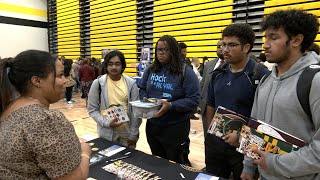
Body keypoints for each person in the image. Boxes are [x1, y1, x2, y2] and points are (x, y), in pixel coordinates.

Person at [241, 9, 320, 180]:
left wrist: (273, 162)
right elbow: (255, 126)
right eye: (266, 37)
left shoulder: (315, 81)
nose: (265, 45)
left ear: (297, 40)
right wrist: (248, 166)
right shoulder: (266, 80)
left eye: (274, 37)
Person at [0, 50, 91, 179]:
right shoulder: (45, 120)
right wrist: (85, 152)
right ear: (37, 81)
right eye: (60, 76)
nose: (65, 81)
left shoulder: (7, 108)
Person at [205, 24, 269, 179]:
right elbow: (210, 105)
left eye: (232, 45)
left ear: (246, 47)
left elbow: (264, 118)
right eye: (223, 44)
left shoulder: (261, 75)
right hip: (216, 145)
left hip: (245, 149)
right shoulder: (217, 74)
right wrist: (210, 135)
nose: (225, 49)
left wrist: (242, 138)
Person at [139, 35, 200, 166]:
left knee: (177, 164)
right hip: (153, 126)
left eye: (165, 50)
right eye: (158, 49)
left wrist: (171, 105)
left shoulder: (186, 72)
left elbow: (194, 99)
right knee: (158, 162)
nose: (161, 53)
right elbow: (142, 88)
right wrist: (144, 99)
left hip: (175, 127)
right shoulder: (150, 69)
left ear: (173, 51)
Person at [87, 50, 141, 148]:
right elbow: (92, 110)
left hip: (127, 132)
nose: (114, 67)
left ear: (122, 66)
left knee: (128, 160)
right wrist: (106, 123)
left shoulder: (131, 83)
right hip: (107, 131)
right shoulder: (98, 83)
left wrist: (133, 134)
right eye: (110, 64)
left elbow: (137, 111)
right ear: (106, 66)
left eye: (117, 64)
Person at [200, 39, 224, 134]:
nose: (221, 49)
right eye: (218, 47)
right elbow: (202, 84)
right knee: (207, 138)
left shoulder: (231, 65)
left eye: (223, 46)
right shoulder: (209, 64)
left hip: (221, 110)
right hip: (206, 108)